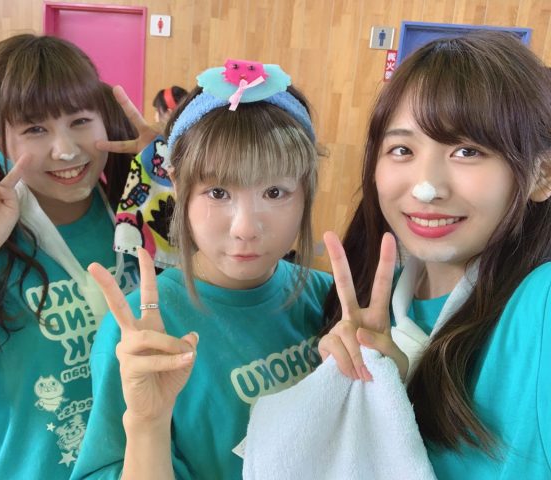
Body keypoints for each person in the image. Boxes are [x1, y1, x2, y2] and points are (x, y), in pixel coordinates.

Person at [72, 59, 333, 479]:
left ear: (307, 190)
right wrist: (148, 424)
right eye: (217, 192)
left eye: (274, 192)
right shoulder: (140, 331)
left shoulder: (329, 300)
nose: (245, 228)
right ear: (178, 186)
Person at [319, 32, 551, 478]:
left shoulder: (540, 303)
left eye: (467, 151)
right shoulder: (364, 301)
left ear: (541, 175)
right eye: (402, 149)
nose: (426, 187)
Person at [0, 34, 142, 479]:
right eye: (35, 129)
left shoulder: (142, 221)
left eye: (80, 120)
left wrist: (167, 168)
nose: (66, 149)